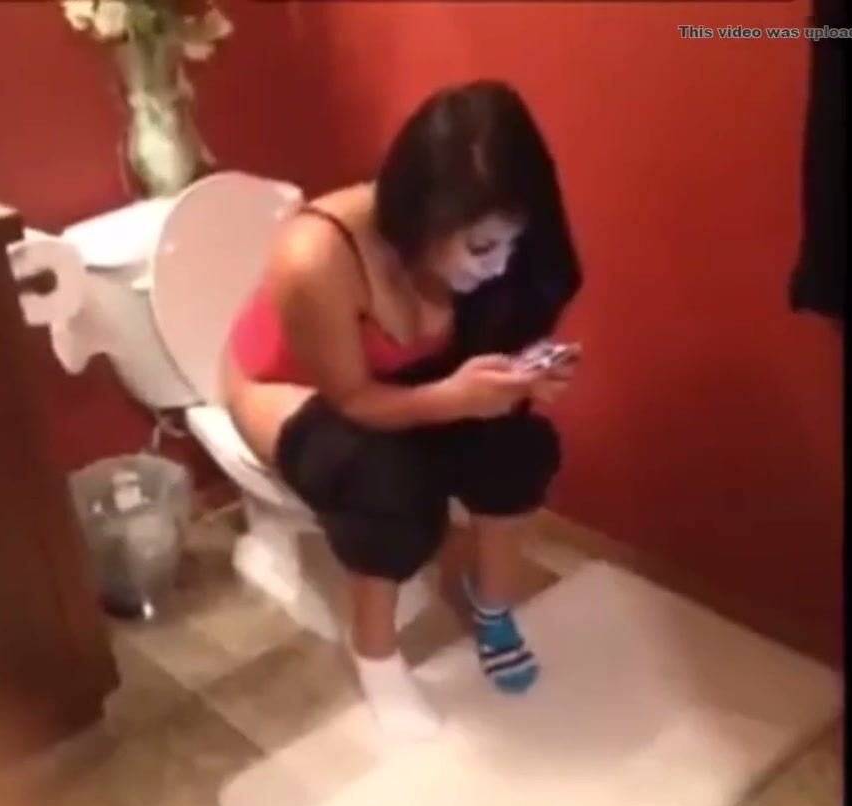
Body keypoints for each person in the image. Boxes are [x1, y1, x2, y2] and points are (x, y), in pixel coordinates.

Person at [220, 80, 582, 741]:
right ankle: (376, 655)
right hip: (283, 383)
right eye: (481, 248)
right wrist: (453, 399)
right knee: (387, 481)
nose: (500, 266)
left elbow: (468, 367)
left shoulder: (483, 258)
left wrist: (518, 380)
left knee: (516, 445)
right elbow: (353, 400)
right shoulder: (316, 255)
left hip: (395, 383)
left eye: (511, 243)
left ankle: (492, 606)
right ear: (422, 219)